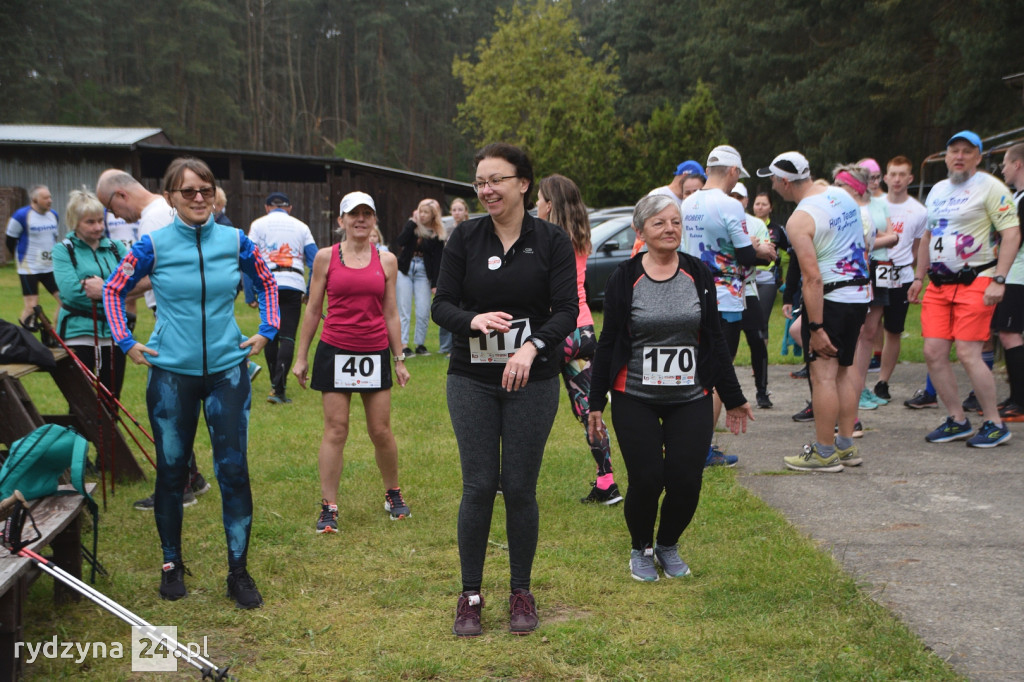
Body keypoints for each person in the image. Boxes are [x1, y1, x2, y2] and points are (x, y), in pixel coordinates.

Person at [103, 156, 279, 608]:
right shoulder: (152, 245)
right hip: (171, 374)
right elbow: (112, 290)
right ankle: (171, 564)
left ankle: (238, 572)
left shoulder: (236, 240)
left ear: (214, 193)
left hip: (227, 371)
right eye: (188, 192)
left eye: (206, 190)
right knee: (172, 470)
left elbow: (268, 281)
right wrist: (126, 342)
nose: (199, 198)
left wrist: (267, 329)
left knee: (233, 471)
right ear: (170, 198)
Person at [432, 143, 577, 637]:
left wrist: (531, 346)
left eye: (496, 180)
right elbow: (441, 306)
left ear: (522, 183)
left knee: (518, 487)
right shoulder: (465, 238)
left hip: (532, 380)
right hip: (471, 379)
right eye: (480, 183)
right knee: (477, 486)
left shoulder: (553, 241)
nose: (487, 190)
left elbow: (566, 311)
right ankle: (470, 594)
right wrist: (472, 320)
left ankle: (521, 591)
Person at [587, 194, 753, 582]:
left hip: (690, 397)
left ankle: (667, 544)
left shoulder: (698, 273)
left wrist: (734, 398)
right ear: (640, 230)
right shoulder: (623, 278)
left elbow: (713, 339)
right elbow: (608, 342)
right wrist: (596, 402)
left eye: (675, 222)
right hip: (636, 396)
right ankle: (641, 548)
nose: (670, 229)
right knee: (647, 479)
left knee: (686, 480)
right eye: (660, 223)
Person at [292, 191, 411, 532]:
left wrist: (399, 359)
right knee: (336, 429)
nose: (361, 220)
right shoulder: (326, 258)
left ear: (374, 220)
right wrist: (301, 357)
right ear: (341, 221)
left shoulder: (387, 260)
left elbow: (391, 313)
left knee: (381, 430)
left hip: (373, 352)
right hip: (335, 350)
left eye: (367, 214)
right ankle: (329, 506)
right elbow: (313, 309)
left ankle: (393, 492)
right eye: (353, 214)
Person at [96, 168, 212, 511]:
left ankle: (180, 488)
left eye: (112, 208)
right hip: (177, 318)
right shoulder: (162, 212)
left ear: (121, 195)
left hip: (174, 320)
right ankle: (193, 478)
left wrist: (112, 286)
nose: (116, 216)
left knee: (168, 406)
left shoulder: (155, 218)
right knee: (174, 402)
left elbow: (169, 271)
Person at [758, 151, 870, 472]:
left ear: (783, 181)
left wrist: (816, 327)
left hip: (831, 298)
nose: (773, 186)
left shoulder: (799, 219)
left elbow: (812, 277)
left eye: (773, 180)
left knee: (822, 376)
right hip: (858, 293)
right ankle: (846, 447)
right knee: (846, 371)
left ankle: (823, 452)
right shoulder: (841, 196)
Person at [908, 131, 1020, 447]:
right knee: (933, 352)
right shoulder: (938, 190)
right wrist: (919, 277)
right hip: (940, 284)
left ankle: (995, 424)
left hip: (977, 280)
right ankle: (957, 419)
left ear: (978, 157)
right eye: (953, 151)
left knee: (969, 353)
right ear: (946, 156)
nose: (959, 156)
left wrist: (1000, 279)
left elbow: (1011, 235)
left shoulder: (992, 188)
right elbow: (928, 237)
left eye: (966, 151)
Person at [681, 145, 776, 466]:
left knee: (694, 372)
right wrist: (763, 251)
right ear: (733, 172)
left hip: (691, 295)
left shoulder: (688, 202)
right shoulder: (730, 206)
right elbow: (746, 256)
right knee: (718, 372)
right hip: (725, 298)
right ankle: (702, 448)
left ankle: (685, 441)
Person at [536, 174, 621, 505]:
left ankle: (506, 477)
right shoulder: (581, 238)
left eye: (541, 200)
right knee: (589, 410)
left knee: (521, 405)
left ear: (551, 204)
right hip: (583, 331)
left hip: (554, 332)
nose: (536, 206)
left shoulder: (546, 241)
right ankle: (607, 482)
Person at [831, 164, 898, 416]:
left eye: (840, 185)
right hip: (845, 278)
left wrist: (882, 239)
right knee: (849, 336)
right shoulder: (837, 210)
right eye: (834, 184)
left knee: (867, 333)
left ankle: (853, 392)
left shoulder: (869, 210)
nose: (833, 190)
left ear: (856, 188)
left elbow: (887, 236)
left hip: (871, 272)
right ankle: (843, 390)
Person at [52, 190, 129, 398]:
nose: (97, 227)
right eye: (90, 222)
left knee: (112, 399)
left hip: (115, 334)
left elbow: (132, 282)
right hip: (78, 334)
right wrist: (113, 291)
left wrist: (101, 289)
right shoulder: (63, 251)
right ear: (75, 222)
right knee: (82, 402)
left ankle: (111, 429)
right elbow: (70, 291)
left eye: (99, 221)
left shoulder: (116, 248)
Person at [247, 191, 318, 405]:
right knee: (287, 336)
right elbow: (315, 261)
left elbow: (249, 257)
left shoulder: (258, 224)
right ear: (289, 208)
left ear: (268, 207)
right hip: (293, 283)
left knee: (270, 333)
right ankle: (278, 388)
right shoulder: (302, 226)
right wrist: (309, 289)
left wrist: (250, 293)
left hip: (268, 283)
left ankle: (275, 385)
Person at [875, 156, 928, 402]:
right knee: (866, 326)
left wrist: (916, 276)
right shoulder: (874, 205)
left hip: (901, 274)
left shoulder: (919, 211)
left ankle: (883, 381)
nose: (897, 179)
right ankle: (858, 377)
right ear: (885, 177)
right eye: (892, 174)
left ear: (910, 178)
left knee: (893, 330)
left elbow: (918, 247)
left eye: (902, 174)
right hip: (874, 272)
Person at [730, 182, 773, 408]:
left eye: (740, 197)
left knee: (757, 340)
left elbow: (768, 256)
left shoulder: (755, 224)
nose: (736, 201)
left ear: (746, 201)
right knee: (728, 344)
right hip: (726, 291)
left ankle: (762, 390)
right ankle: (726, 391)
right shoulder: (721, 221)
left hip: (748, 289)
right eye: (732, 196)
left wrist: (747, 253)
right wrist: (749, 250)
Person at [994, 143, 1024, 420]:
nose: (1002, 168)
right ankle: (1015, 396)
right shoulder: (1017, 197)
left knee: (1009, 333)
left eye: (1005, 162)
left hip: (1017, 277)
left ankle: (1020, 400)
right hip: (1014, 275)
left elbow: (1015, 238)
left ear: (1018, 164)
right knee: (1007, 333)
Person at [6, 184, 61, 330]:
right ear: (35, 199)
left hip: (49, 267)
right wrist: (18, 259)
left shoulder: (53, 215)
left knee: (65, 302)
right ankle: (23, 339)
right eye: (45, 198)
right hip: (29, 268)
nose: (50, 200)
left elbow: (53, 239)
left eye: (50, 197)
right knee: (31, 307)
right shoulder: (21, 215)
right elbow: (10, 240)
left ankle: (55, 335)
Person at [395, 198, 445, 356]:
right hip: (405, 269)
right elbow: (400, 241)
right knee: (404, 309)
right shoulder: (413, 226)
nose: (422, 215)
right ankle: (403, 345)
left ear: (433, 215)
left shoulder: (437, 233)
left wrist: (435, 283)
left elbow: (438, 260)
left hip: (424, 271)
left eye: (426, 212)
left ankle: (420, 344)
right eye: (420, 211)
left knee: (423, 310)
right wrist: (412, 222)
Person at [751, 190, 788, 345]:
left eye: (764, 204)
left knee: (762, 319)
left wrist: (786, 278)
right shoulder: (745, 225)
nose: (760, 207)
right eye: (757, 204)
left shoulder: (777, 229)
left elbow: (787, 254)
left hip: (767, 276)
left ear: (770, 208)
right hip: (748, 276)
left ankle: (761, 365)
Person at [438, 198, 471, 356]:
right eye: (454, 210)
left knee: (462, 309)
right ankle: (446, 346)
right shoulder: (448, 230)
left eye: (460, 209)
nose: (457, 213)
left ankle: (458, 344)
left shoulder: (472, 229)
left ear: (465, 211)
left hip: (467, 273)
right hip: (451, 273)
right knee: (446, 306)